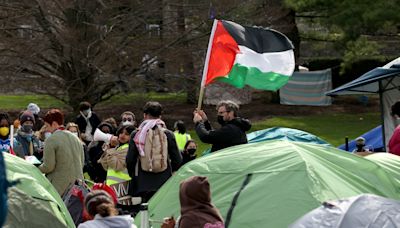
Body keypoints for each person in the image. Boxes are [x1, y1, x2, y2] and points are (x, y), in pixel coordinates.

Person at [126, 101, 182, 203]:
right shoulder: (168, 134)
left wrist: (133, 174)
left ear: (145, 115)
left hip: (142, 182)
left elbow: (130, 159)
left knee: (143, 213)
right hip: (164, 181)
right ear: (160, 115)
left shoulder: (137, 134)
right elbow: (177, 159)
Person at [39, 109, 84, 196]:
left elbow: (48, 166)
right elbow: (81, 162)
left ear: (54, 124)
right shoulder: (76, 139)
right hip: (78, 186)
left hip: (59, 188)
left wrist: (35, 168)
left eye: (47, 126)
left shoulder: (51, 140)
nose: (47, 129)